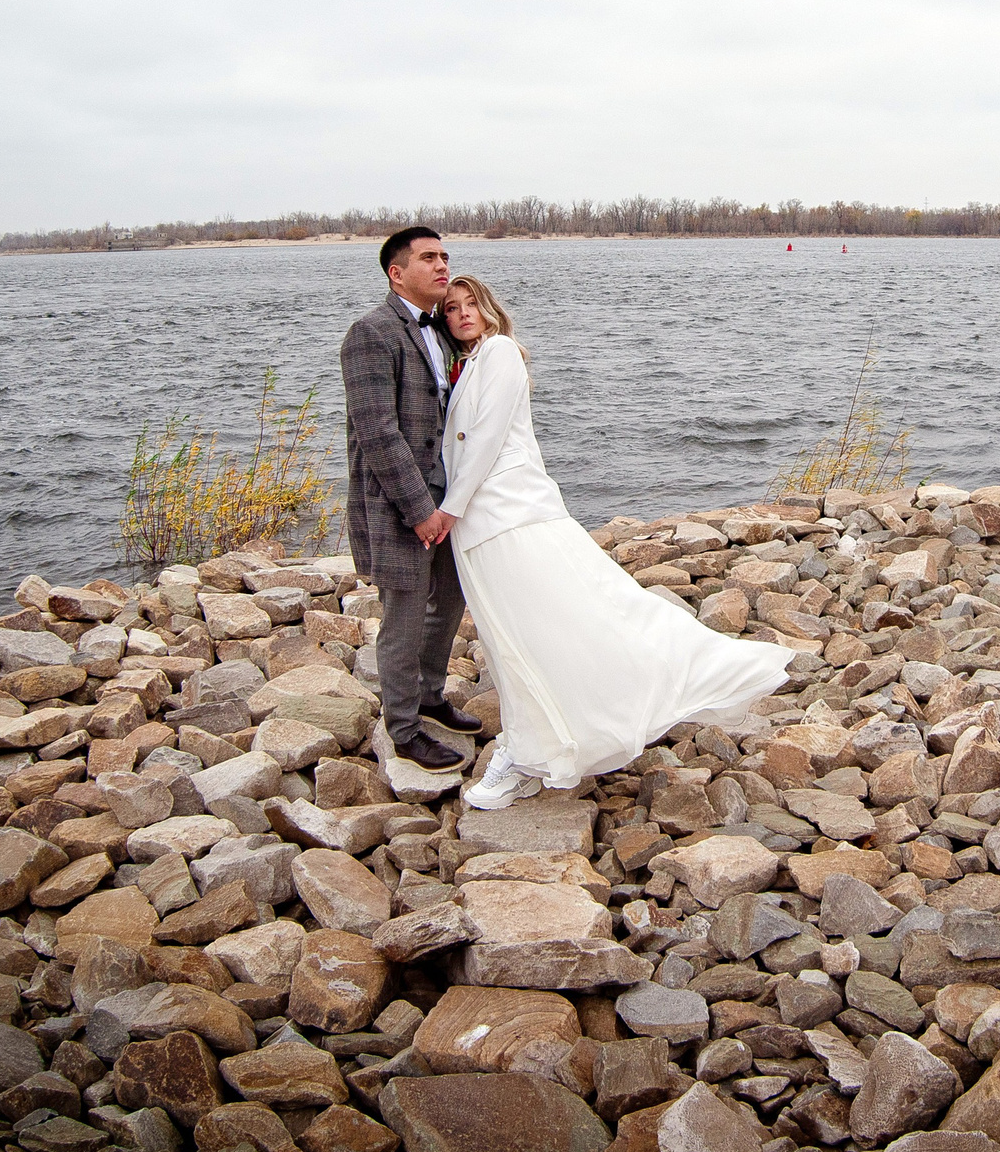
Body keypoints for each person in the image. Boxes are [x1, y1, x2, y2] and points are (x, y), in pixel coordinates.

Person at [435, 274, 796, 810]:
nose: (463, 313)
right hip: (481, 521)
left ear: (489, 309)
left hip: (511, 512)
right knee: (515, 634)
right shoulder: (465, 364)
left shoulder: (502, 352)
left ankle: (531, 749)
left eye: (472, 303)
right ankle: (544, 743)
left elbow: (485, 440)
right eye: (451, 308)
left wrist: (449, 508)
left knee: (554, 622)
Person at [340, 226, 482, 771]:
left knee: (450, 599)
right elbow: (377, 431)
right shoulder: (370, 333)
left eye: (444, 255)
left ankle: (430, 695)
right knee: (403, 614)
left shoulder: (443, 331)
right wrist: (419, 510)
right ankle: (402, 728)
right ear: (396, 274)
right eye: (428, 258)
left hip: (450, 499)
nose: (442, 265)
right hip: (398, 503)